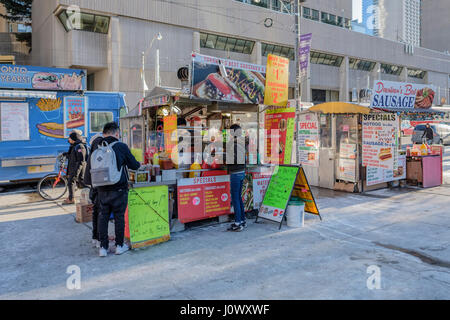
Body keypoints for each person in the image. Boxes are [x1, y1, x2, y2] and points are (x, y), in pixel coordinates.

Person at [96, 122, 140, 257]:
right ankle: (119, 246)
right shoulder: (121, 146)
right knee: (119, 218)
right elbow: (134, 165)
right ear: (116, 133)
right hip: (119, 189)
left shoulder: (97, 147)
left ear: (105, 132)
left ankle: (103, 248)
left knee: (103, 217)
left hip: (101, 189)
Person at [83, 132, 104, 248]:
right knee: (100, 213)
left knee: (96, 212)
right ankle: (99, 239)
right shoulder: (99, 143)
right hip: (99, 184)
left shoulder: (94, 145)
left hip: (94, 184)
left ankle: (95, 237)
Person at [227, 124, 248, 232]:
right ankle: (242, 220)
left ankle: (237, 223)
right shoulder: (242, 142)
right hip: (241, 172)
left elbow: (233, 159)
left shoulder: (232, 143)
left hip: (235, 173)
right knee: (238, 197)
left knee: (235, 198)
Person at [62, 131, 87, 205]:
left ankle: (71, 199)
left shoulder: (80, 146)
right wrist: (64, 154)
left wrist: (76, 172)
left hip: (77, 169)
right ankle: (71, 198)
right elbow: (71, 155)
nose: (68, 140)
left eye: (69, 138)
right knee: (75, 183)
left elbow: (81, 161)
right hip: (73, 168)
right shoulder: (74, 146)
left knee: (76, 183)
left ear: (73, 139)